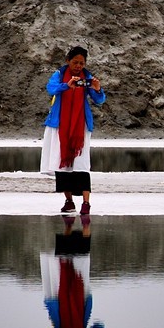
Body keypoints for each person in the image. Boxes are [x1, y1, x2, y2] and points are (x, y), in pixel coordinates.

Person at [41, 46, 106, 215]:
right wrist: (66, 86)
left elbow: (99, 100)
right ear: (68, 61)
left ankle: (86, 203)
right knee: (61, 163)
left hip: (80, 125)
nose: (78, 66)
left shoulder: (87, 77)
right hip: (60, 124)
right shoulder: (60, 75)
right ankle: (68, 201)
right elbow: (51, 88)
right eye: (75, 62)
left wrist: (97, 88)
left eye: (81, 63)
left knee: (81, 164)